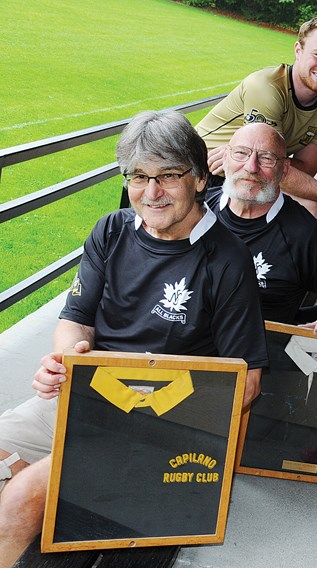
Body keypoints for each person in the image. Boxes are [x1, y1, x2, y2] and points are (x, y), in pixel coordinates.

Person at [0, 110, 268, 566]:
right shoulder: (111, 230)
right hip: (87, 396)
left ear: (201, 178)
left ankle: (60, 496)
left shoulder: (227, 260)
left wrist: (147, 400)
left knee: (24, 494)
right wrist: (64, 360)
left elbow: (247, 384)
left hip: (163, 421)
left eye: (168, 176)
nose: (152, 192)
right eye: (139, 177)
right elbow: (76, 319)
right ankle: (75, 497)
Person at [208, 122, 317, 341]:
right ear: (224, 158)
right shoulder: (195, 211)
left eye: (266, 158)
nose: (251, 167)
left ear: (284, 170)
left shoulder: (303, 234)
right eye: (241, 153)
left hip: (257, 351)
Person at [196, 14, 317, 225]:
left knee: (314, 205)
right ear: (298, 50)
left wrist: (271, 162)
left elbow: (306, 168)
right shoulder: (266, 87)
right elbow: (268, 168)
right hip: (203, 167)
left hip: (251, 174)